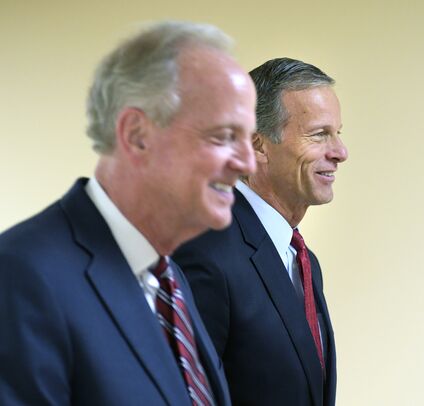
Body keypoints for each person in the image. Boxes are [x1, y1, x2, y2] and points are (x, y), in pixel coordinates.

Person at [0, 21, 257, 406]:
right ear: (137, 135)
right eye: (223, 137)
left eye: (248, 139)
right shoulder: (22, 275)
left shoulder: (170, 279)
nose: (247, 164)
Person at [173, 57, 349, 406]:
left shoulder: (304, 262)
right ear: (256, 145)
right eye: (319, 134)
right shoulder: (204, 250)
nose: (340, 152)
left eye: (338, 134)